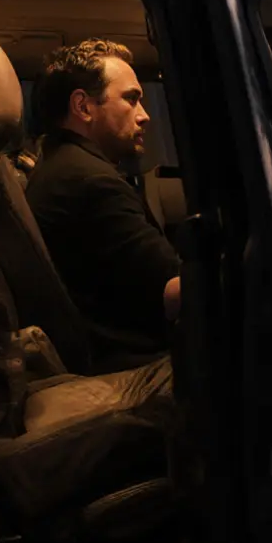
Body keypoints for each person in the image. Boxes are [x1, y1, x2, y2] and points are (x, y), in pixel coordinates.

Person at [25, 39, 181, 372]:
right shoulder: (91, 182)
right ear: (83, 107)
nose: (145, 116)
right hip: (135, 365)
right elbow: (175, 292)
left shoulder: (61, 164)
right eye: (131, 99)